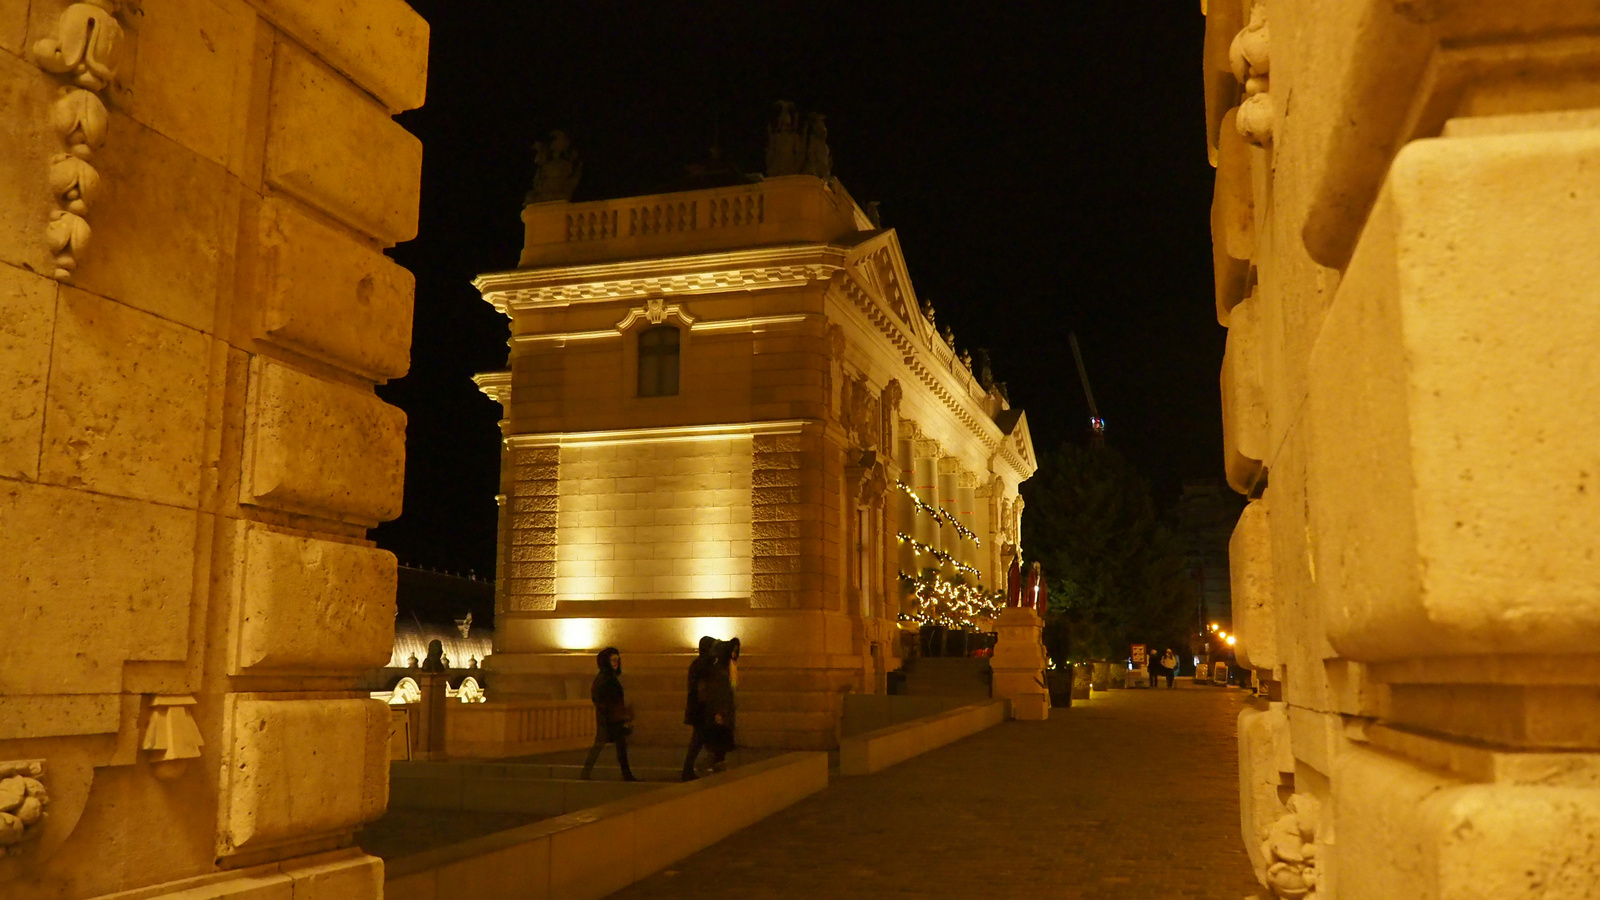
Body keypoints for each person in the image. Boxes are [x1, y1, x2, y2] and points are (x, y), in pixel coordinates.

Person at [580, 647, 637, 781]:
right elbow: (603, 698)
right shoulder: (607, 678)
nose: (616, 663)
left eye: (617, 660)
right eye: (613, 660)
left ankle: (586, 773)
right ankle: (626, 774)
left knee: (612, 746)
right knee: (610, 746)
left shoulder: (605, 677)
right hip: (610, 718)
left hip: (608, 718)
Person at [698, 640, 739, 772]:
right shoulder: (719, 670)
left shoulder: (729, 667)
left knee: (722, 741)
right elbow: (717, 692)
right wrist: (718, 712)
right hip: (720, 710)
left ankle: (717, 763)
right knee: (717, 740)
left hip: (726, 709)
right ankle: (714, 764)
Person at [681, 636, 717, 781]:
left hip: (698, 709)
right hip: (702, 710)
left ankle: (690, 770)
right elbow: (702, 689)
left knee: (701, 741)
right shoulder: (704, 665)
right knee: (699, 741)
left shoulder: (698, 664)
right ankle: (688, 771)